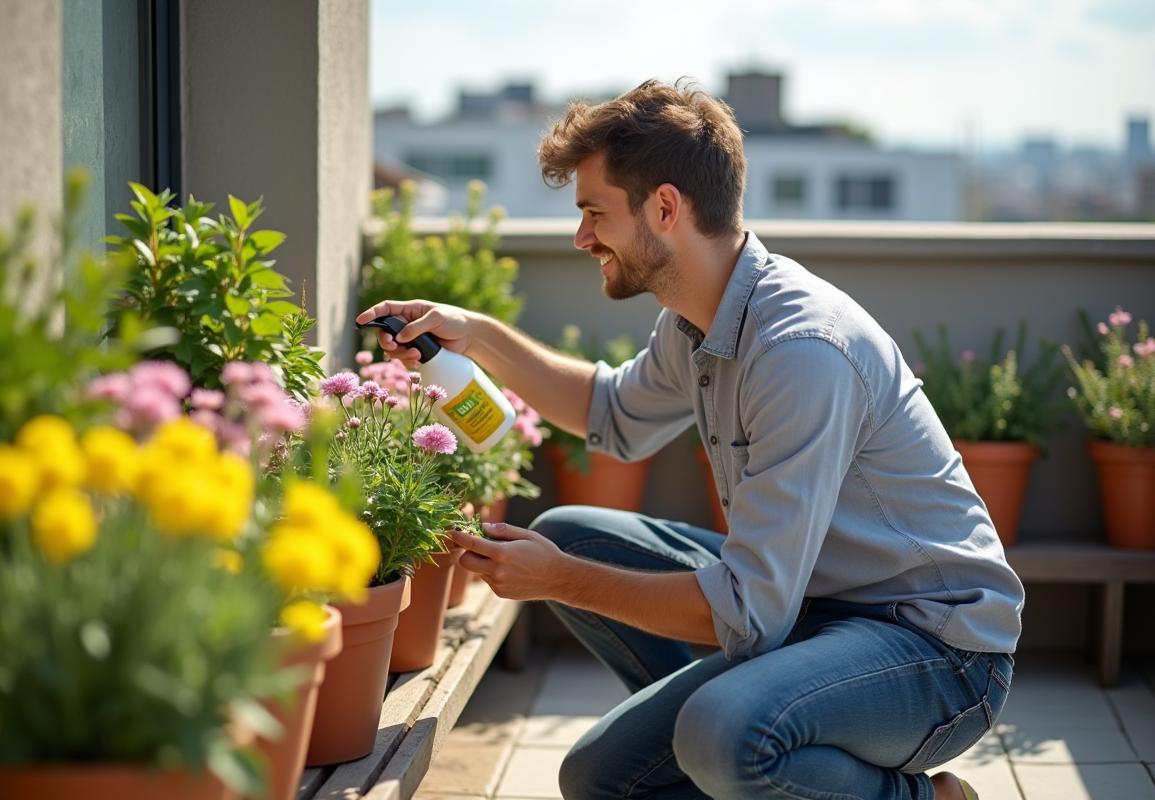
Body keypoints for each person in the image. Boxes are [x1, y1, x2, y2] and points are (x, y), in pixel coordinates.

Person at [357, 79, 1023, 800]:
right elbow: (609, 413)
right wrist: (477, 333)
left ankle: (915, 794)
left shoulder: (801, 349)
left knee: (724, 736)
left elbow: (745, 609)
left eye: (593, 213)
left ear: (666, 208)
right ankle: (746, 732)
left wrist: (556, 580)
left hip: (934, 651)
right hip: (808, 608)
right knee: (599, 774)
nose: (581, 239)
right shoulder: (698, 319)